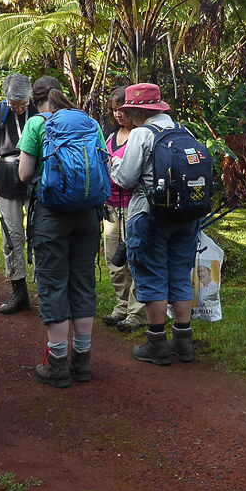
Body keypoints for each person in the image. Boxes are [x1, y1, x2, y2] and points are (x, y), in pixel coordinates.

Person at [16, 76, 103, 388]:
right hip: (89, 215)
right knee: (82, 282)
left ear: (35, 99)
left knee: (54, 285)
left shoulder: (36, 124)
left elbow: (25, 174)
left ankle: (57, 364)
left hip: (51, 215)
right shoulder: (89, 122)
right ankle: (82, 361)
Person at [110, 82, 200, 366]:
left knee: (152, 275)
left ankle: (156, 344)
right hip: (187, 217)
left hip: (149, 216)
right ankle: (183, 343)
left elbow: (124, 178)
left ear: (139, 111)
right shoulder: (184, 131)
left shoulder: (141, 134)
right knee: (179, 274)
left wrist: (113, 164)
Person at [0, 73, 38, 314]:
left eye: (22, 104)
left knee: (40, 234)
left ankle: (45, 291)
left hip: (35, 178)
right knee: (12, 236)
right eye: (14, 105)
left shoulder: (38, 110)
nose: (18, 109)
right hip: (6, 179)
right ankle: (19, 291)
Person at [101, 86, 146, 333]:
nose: (118, 114)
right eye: (115, 109)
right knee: (114, 260)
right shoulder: (111, 136)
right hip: (111, 206)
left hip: (133, 206)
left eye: (122, 109)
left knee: (134, 259)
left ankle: (136, 312)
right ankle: (121, 305)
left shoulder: (140, 137)